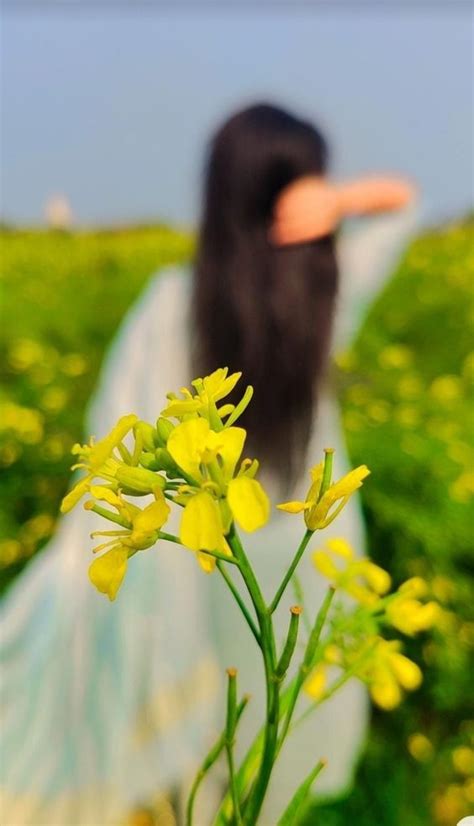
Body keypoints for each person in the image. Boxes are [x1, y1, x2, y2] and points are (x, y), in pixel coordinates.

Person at [0, 103, 418, 825]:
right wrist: (344, 201)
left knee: (212, 741)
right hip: (301, 549)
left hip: (206, 553)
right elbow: (404, 203)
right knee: (275, 714)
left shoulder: (176, 297)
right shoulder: (327, 282)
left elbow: (120, 418)